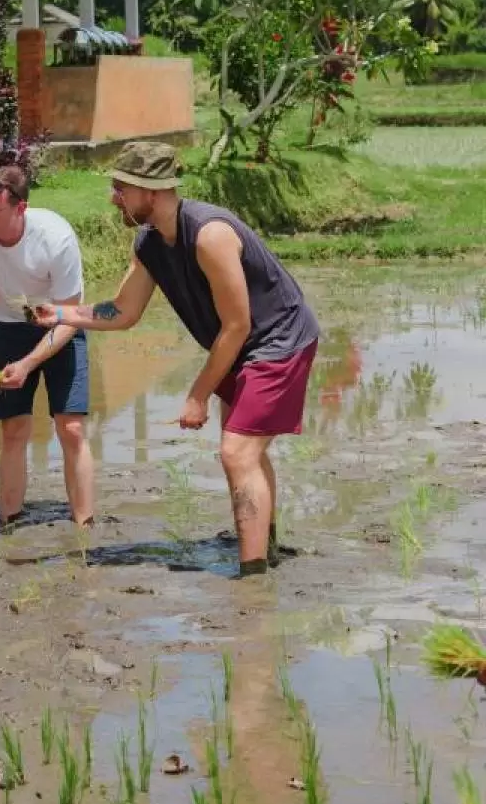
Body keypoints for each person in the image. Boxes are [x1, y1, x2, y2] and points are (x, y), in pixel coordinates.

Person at [36, 141, 319, 578]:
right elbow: (123, 311)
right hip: (240, 348)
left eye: (120, 187)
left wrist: (197, 395)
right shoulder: (150, 242)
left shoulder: (209, 235)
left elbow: (238, 324)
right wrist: (58, 313)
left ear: (150, 191)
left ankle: (253, 577)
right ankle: (265, 546)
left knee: (237, 451)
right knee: (245, 451)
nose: (114, 196)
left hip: (277, 342)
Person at [0, 164, 94, 528]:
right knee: (13, 428)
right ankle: (9, 520)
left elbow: (71, 316)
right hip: (5, 325)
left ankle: (84, 526)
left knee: (71, 427)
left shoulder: (56, 238)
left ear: (20, 208)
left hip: (60, 326)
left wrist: (30, 363)